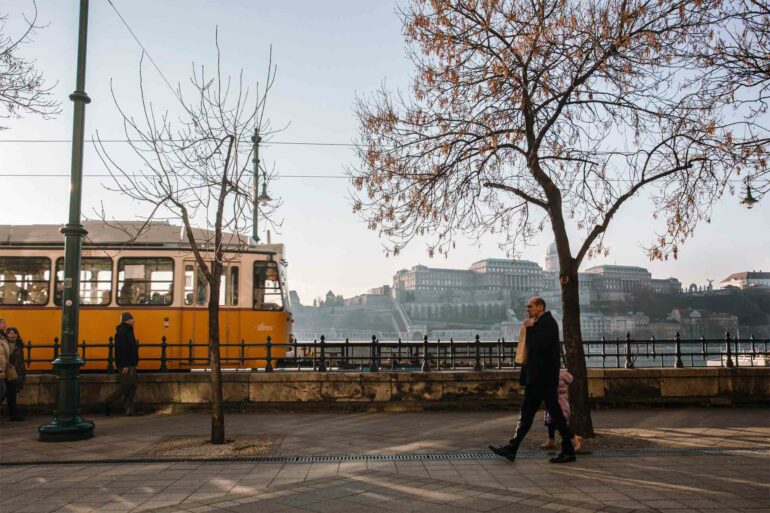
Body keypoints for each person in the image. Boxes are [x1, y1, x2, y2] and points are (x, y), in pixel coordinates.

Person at [489, 297, 576, 464]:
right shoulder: (540, 322)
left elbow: (537, 346)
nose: (528, 309)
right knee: (526, 415)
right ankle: (511, 448)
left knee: (555, 414)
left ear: (540, 307)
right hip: (536, 378)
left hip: (544, 379)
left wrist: (529, 329)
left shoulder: (548, 323)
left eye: (531, 306)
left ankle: (569, 448)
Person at [102, 312, 141, 416]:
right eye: (132, 319)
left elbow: (131, 348)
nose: (134, 321)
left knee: (132, 386)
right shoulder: (123, 333)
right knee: (126, 385)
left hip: (131, 364)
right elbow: (122, 350)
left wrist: (134, 362)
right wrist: (124, 365)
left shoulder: (128, 331)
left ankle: (129, 409)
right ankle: (107, 401)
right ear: (127, 320)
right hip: (126, 365)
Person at [540, 368, 582, 451]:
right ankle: (551, 440)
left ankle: (575, 437)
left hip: (558, 403)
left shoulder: (551, 375)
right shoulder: (561, 373)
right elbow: (570, 380)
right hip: (559, 401)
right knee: (550, 422)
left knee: (558, 423)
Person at [3, 326, 26, 421]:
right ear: (7, 335)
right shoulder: (6, 344)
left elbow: (21, 360)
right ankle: (12, 414)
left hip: (18, 371)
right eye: (10, 333)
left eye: (14, 333)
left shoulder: (19, 344)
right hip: (10, 371)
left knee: (13, 393)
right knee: (7, 392)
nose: (12, 335)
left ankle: (13, 413)